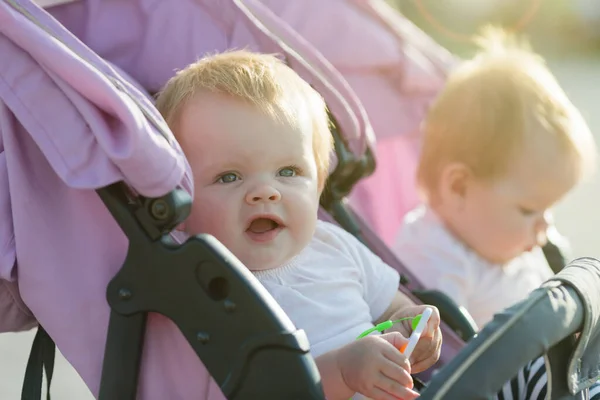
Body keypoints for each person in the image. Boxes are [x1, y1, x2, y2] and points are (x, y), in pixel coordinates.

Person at [155, 50, 441, 400]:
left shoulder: (334, 244)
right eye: (228, 176)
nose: (264, 193)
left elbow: (394, 308)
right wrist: (343, 372)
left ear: (319, 183)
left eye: (288, 172)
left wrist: (412, 324)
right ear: (182, 199)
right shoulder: (210, 291)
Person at [394, 27, 597, 329]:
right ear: (459, 187)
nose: (545, 226)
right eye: (529, 210)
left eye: (548, 208)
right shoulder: (433, 258)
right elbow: (444, 358)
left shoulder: (507, 244)